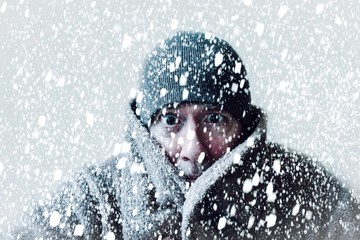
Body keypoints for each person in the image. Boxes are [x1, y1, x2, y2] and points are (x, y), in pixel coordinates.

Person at [15, 31, 360, 239]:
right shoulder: (98, 201)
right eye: (170, 120)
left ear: (243, 127)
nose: (193, 147)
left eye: (214, 119)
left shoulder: (300, 193)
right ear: (145, 129)